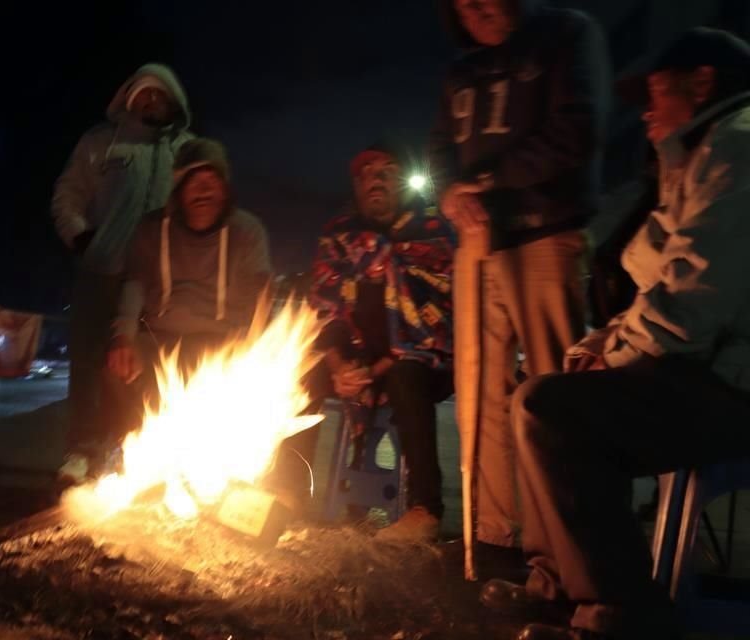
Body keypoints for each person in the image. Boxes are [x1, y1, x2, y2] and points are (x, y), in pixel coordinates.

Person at [481, 28, 750, 640]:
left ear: (703, 82)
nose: (645, 110)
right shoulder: (698, 159)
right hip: (708, 368)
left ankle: (622, 618)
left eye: (655, 93)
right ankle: (558, 584)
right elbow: (653, 276)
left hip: (735, 384)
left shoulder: (740, 146)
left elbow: (692, 301)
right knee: (548, 389)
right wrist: (602, 344)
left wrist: (618, 355)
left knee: (553, 410)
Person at [431, 0, 610, 571]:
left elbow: (576, 131)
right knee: (480, 392)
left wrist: (484, 181)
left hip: (544, 233)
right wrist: (447, 192)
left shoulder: (566, 35)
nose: (481, 9)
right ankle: (492, 538)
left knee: (552, 392)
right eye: (466, 3)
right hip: (478, 244)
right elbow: (440, 149)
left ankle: (559, 552)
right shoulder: (462, 71)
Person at [300, 145, 455, 542]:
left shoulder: (430, 233)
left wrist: (374, 370)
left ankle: (425, 509)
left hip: (425, 362)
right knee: (298, 378)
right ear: (357, 185)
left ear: (401, 184)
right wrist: (338, 368)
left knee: (406, 375)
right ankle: (288, 493)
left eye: (388, 170)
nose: (378, 178)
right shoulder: (339, 237)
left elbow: (437, 325)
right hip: (353, 362)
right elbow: (326, 312)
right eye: (368, 172)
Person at [52, 63, 194, 485]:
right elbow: (67, 195)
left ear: (173, 102)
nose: (151, 101)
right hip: (104, 271)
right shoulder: (102, 143)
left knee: (142, 370)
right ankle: (80, 449)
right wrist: (81, 238)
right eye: (143, 95)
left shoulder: (187, 150)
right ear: (129, 100)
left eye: (160, 95)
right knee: (89, 363)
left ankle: (123, 446)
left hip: (160, 283)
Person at [106, 138, 272, 449]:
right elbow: (135, 284)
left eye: (212, 181)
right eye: (193, 181)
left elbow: (262, 292)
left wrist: (254, 349)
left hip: (224, 342)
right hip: (161, 338)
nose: (204, 190)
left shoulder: (247, 231)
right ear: (179, 190)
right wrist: (123, 338)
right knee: (118, 366)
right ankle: (131, 452)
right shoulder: (153, 229)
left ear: (224, 189)